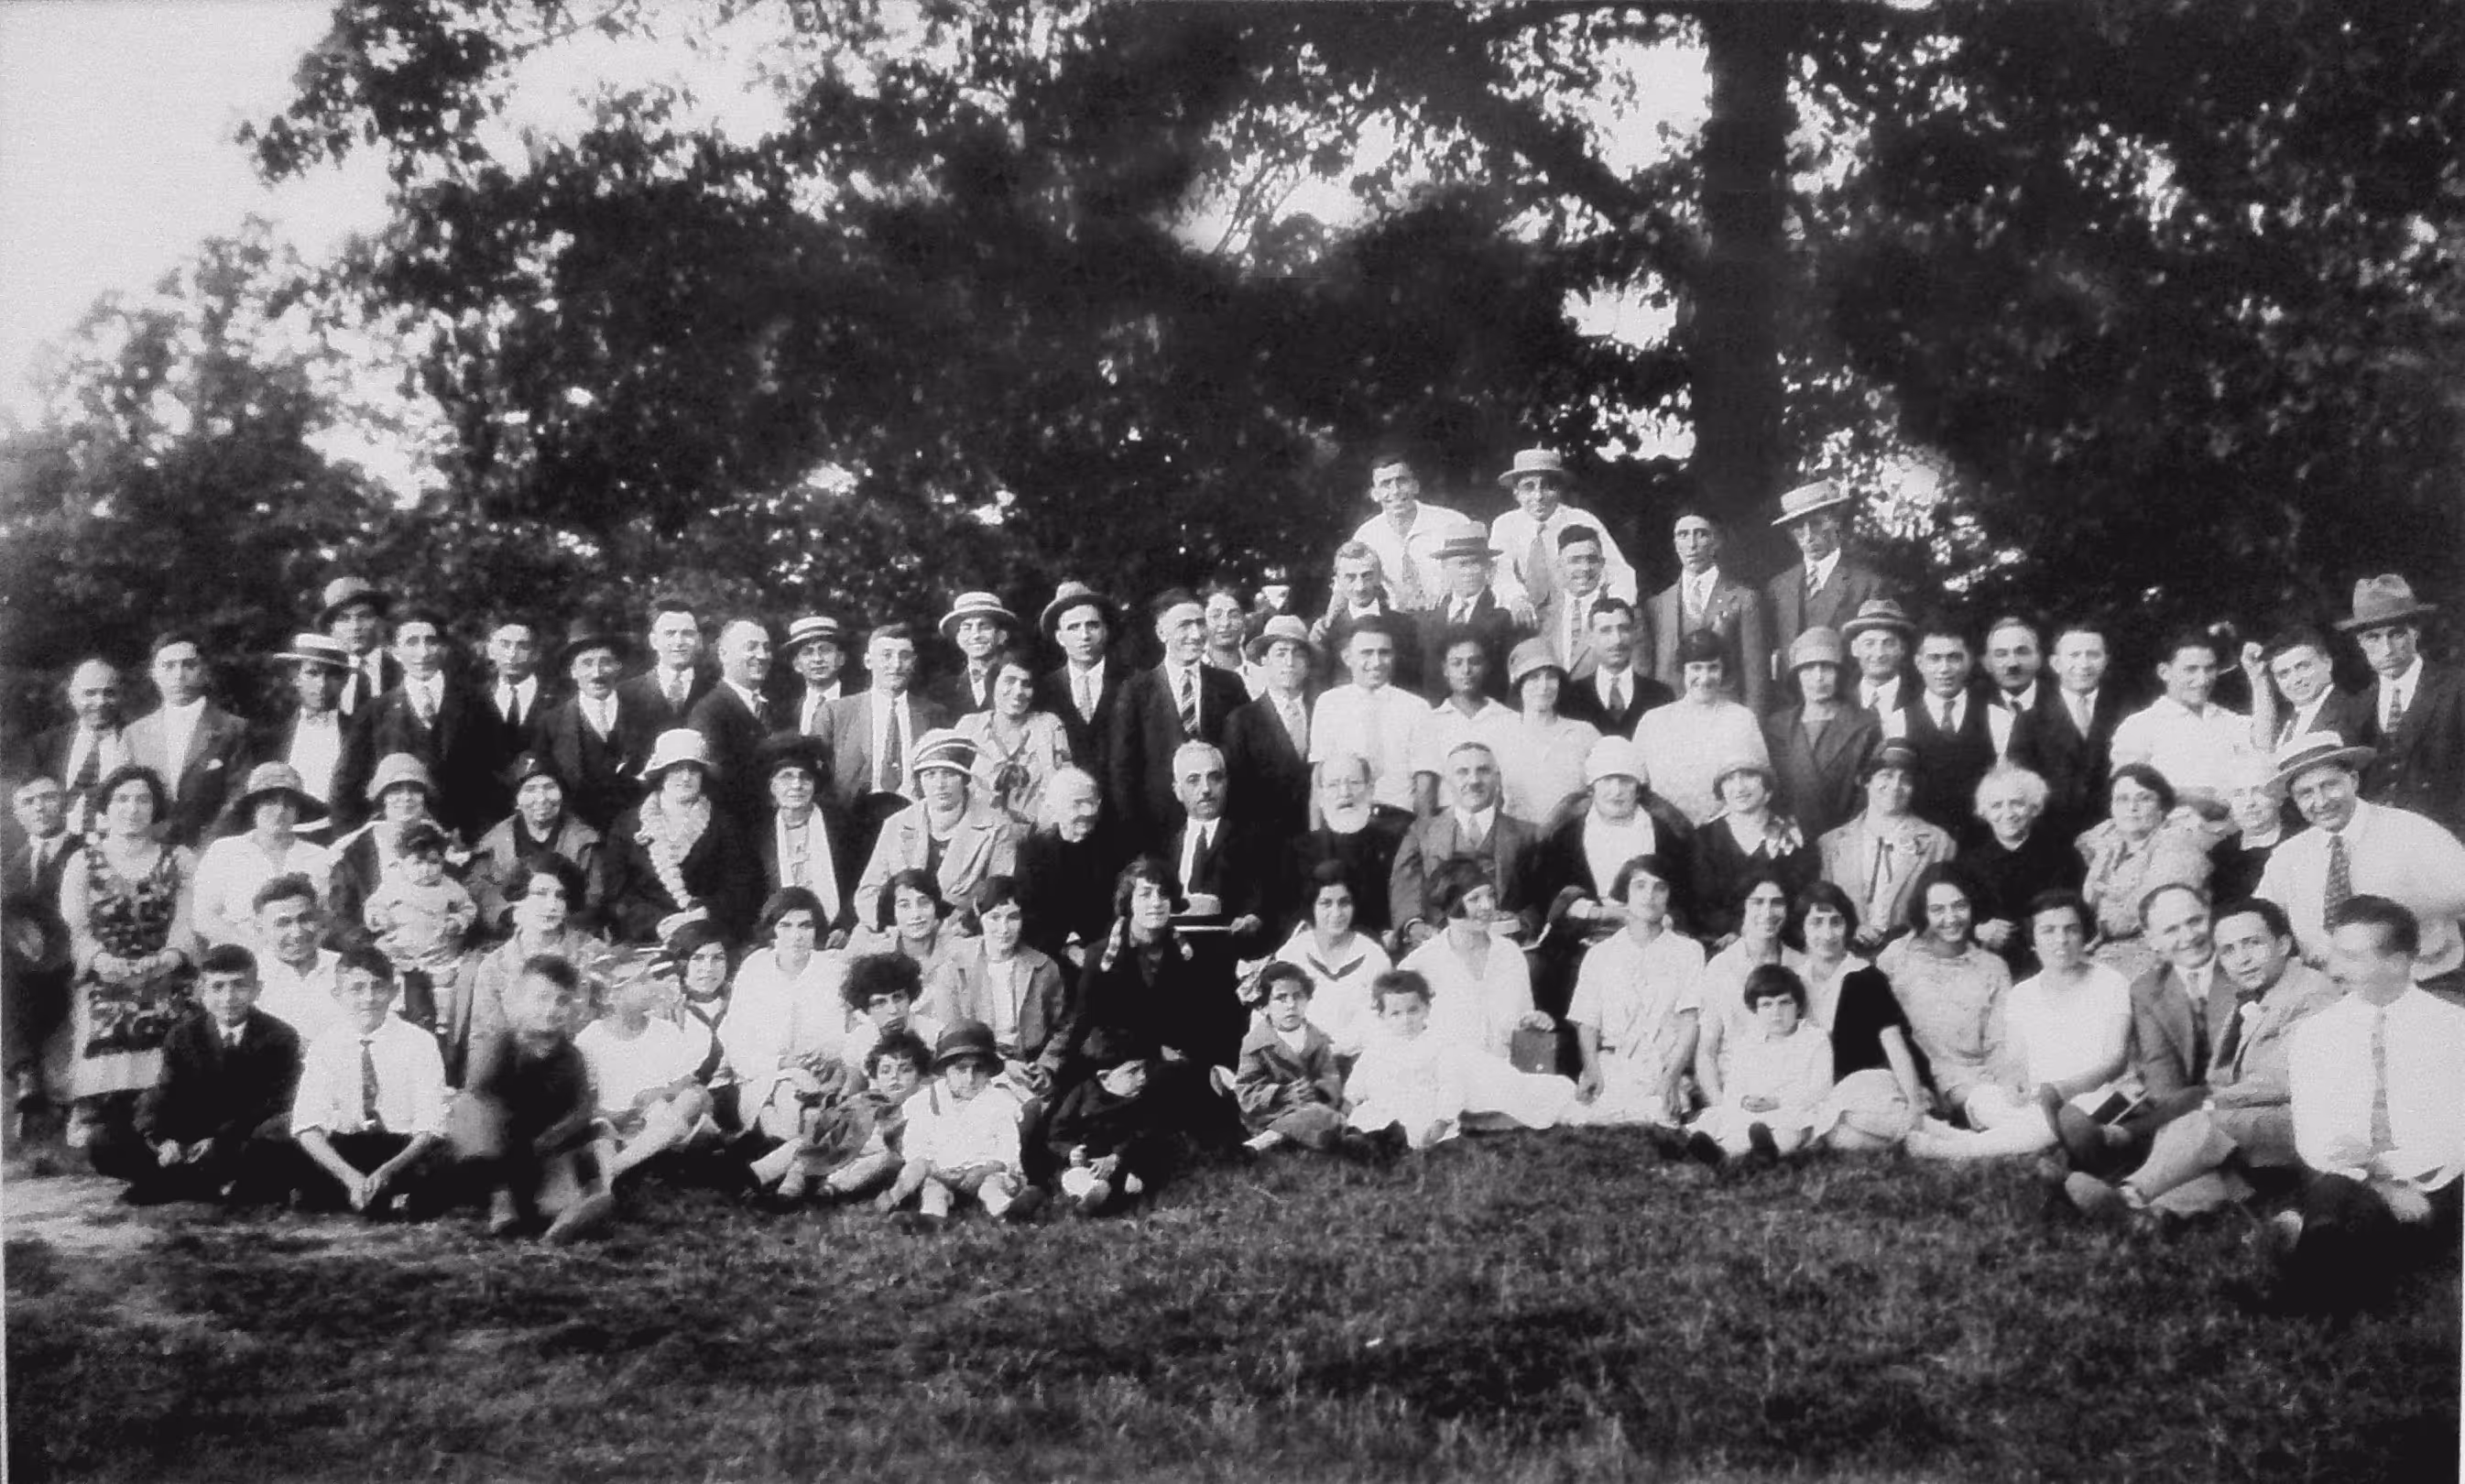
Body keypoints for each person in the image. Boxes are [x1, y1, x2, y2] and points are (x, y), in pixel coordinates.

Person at [2061, 897, 2340, 1224]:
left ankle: (2130, 1193)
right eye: (2229, 950)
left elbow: (2286, 1079)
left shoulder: (2311, 993)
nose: (2242, 960)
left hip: (2302, 1122)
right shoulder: (2257, 992)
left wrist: (2210, 1102)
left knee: (2205, 1124)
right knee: (2192, 1138)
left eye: (2252, 944)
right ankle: (2150, 1217)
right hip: (2252, 1116)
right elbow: (2219, 1074)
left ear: (2283, 944)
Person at [2266, 896, 2465, 1310]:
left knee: (2348, 1216)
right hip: (2341, 1175)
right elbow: (2317, 1139)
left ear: (2398, 963)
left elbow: (2454, 1134)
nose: (2333, 967)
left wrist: (2400, 1179)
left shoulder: (2451, 1029)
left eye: (2351, 957)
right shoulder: (2318, 1034)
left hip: (2434, 1181)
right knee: (2347, 1204)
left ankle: (2305, 1260)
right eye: (2335, 952)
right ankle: (2325, 1266)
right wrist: (2382, 1183)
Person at [1903, 890, 2130, 1161]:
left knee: (2055, 1120)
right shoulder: (2023, 993)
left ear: (2084, 935)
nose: (2061, 940)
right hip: (2036, 1099)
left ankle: (1957, 1147)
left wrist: (2062, 1090)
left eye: (2071, 929)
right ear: (2033, 940)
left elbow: (2116, 1059)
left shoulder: (2110, 982)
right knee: (1982, 1098)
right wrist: (2015, 1082)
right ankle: (2013, 1140)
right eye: (2048, 931)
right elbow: (2017, 1061)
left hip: (2091, 1096)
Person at [1052, 858, 1245, 1145]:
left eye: (1163, 894)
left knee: (1187, 1081)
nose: (1156, 903)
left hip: (1175, 1056)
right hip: (1117, 1054)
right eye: (1145, 895)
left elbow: (1205, 1016)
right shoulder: (1100, 956)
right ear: (1129, 902)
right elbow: (1086, 1021)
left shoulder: (1189, 952)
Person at [89, 944, 300, 1206]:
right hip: (191, 1136)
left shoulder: (280, 1036)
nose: (228, 997)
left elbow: (276, 1102)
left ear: (257, 989)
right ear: (201, 992)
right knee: (104, 1139)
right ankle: (187, 1184)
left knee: (277, 1139)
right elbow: (165, 1091)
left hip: (241, 1137)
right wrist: (162, 1139)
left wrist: (219, 1140)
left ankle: (187, 1185)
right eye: (218, 987)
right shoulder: (183, 1035)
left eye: (239, 986)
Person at [2254, 733, 2465, 993]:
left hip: (2424, 985)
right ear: (2295, 801)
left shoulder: (2412, 832)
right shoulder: (2287, 858)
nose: (2321, 802)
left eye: (2330, 785)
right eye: (2306, 793)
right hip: (2331, 997)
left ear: (2353, 780)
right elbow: (2257, 925)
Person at [60, 764, 200, 1148]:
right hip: (108, 971)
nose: (132, 808)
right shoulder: (83, 862)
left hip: (166, 968)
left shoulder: (179, 859)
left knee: (176, 1009)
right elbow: (78, 928)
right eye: (122, 799)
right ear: (105, 809)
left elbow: (188, 919)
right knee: (105, 1007)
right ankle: (96, 1105)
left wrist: (170, 957)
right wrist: (102, 961)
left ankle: (164, 1110)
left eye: (143, 799)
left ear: (156, 808)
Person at [1396, 859, 1579, 1130]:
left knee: (1561, 1088)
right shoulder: (1421, 963)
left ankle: (1489, 1117)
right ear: (1450, 906)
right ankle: (1480, 1117)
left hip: (1503, 1072)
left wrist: (1532, 1021)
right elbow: (1396, 1030)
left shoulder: (1509, 953)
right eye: (1474, 899)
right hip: (1449, 1079)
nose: (1487, 907)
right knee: (1554, 1100)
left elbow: (1520, 1023)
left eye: (1491, 896)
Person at [452, 955, 615, 1242]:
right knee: (470, 1108)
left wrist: (553, 1137)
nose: (551, 1009)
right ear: (519, 999)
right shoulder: (501, 1044)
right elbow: (480, 1094)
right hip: (500, 1151)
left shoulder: (573, 1057)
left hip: (547, 1148)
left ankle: (562, 1222)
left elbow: (582, 1109)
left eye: (562, 1001)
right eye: (541, 998)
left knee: (579, 1178)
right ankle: (501, 1201)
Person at [289, 947, 450, 1217]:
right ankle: (368, 1194)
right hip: (348, 1146)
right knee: (291, 1155)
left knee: (441, 1163)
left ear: (394, 992)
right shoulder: (326, 1044)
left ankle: (385, 1195)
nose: (368, 998)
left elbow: (429, 1126)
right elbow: (307, 1124)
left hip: (401, 1146)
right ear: (337, 996)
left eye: (378, 987)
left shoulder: (420, 1042)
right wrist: (350, 1176)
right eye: (357, 989)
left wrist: (387, 1171)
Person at [1563, 854, 1705, 1129]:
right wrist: (1593, 1069)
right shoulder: (1600, 954)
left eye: (1659, 887)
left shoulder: (1689, 952)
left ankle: (1653, 1107)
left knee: (1661, 1113)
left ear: (1669, 895)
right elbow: (1587, 1023)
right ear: (1624, 894)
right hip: (1614, 1063)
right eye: (1640, 886)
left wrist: (1672, 1076)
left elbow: (1690, 1023)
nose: (1649, 895)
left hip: (1662, 1065)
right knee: (1588, 1114)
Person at [1535, 736, 1699, 971]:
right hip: (1583, 936)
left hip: (1653, 930)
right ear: (1592, 786)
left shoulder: (1665, 834)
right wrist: (1601, 913)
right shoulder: (1566, 834)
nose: (1616, 791)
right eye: (1607, 780)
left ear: (1638, 787)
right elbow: (1551, 891)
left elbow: (1684, 892)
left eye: (1625, 781)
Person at [333, 608, 499, 837]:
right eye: (411, 642)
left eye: (431, 642)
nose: (423, 652)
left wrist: (484, 839)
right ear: (394, 651)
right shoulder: (374, 712)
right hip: (397, 839)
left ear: (443, 648)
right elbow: (347, 786)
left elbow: (495, 777)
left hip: (466, 840)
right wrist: (355, 844)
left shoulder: (476, 704)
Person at [1876, 865, 2016, 1129]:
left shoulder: (1992, 967)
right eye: (1938, 910)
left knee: (2004, 1106)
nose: (1951, 918)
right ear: (1923, 912)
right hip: (1910, 1076)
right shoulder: (1898, 956)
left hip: (1969, 1077)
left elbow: (1998, 1042)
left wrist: (2007, 1081)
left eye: (1959, 906)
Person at [1789, 882, 1927, 1151]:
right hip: (1816, 1089)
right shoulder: (1794, 981)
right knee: (1840, 1137)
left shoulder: (1866, 977)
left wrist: (1915, 1103)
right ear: (1802, 929)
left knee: (1848, 1115)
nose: (1827, 934)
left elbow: (1894, 1043)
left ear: (1848, 927)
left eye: (1836, 922)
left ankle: (1924, 1130)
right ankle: (1917, 1142)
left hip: (1866, 1083)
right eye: (1816, 923)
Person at [450, 856, 608, 1086]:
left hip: (587, 1078)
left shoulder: (593, 954)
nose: (551, 905)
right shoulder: (496, 965)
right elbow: (484, 1042)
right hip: (517, 1084)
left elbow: (611, 1028)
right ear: (518, 899)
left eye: (560, 896)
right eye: (541, 894)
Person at [1108, 591, 1248, 846]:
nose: (1196, 635)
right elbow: (1122, 772)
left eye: (1200, 623)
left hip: (1222, 832)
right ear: (1161, 633)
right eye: (1184, 625)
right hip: (1157, 832)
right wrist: (1135, 836)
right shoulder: (1135, 691)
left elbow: (1243, 761)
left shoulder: (1230, 686)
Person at [602, 729, 760, 944]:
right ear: (661, 773)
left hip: (709, 937)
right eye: (676, 769)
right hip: (647, 937)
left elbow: (741, 887)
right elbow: (617, 893)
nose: (685, 778)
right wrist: (659, 923)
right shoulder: (626, 824)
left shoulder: (724, 824)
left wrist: (703, 914)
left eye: (694, 770)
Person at [853, 729, 1024, 928]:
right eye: (930, 775)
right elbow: (869, 891)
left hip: (962, 934)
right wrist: (893, 927)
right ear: (920, 781)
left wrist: (963, 926)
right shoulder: (897, 823)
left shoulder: (997, 827)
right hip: (901, 932)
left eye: (949, 774)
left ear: (965, 779)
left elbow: (999, 895)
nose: (940, 784)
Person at [813, 623, 954, 860]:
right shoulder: (836, 713)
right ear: (868, 661)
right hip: (852, 827)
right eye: (886, 655)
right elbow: (818, 780)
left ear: (914, 662)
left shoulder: (933, 714)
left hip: (916, 823)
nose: (896, 665)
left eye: (904, 656)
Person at [2340, 574, 2465, 838]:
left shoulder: (2455, 688)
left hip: (2445, 838)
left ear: (2415, 631)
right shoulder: (2357, 707)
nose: (2386, 649)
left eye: (2396, 635)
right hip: (2379, 843)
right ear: (2361, 643)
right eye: (2373, 638)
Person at [880, 1020, 1040, 1228]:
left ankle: (1008, 1210)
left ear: (989, 1071)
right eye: (960, 1070)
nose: (970, 1078)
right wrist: (935, 1169)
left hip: (986, 1171)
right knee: (933, 1188)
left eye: (978, 1069)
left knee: (991, 1187)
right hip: (943, 1173)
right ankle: (931, 1217)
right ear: (945, 1070)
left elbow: (1008, 1147)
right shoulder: (927, 1101)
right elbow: (915, 1144)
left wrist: (987, 1168)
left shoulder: (998, 1102)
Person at [576, 952, 716, 1186]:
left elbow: (686, 1082)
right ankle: (633, 1165)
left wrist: (661, 1094)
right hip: (614, 1125)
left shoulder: (665, 1031)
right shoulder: (590, 1039)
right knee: (599, 1129)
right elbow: (586, 1100)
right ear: (611, 997)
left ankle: (617, 1169)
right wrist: (620, 1115)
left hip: (662, 1121)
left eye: (649, 978)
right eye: (641, 981)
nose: (652, 986)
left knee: (691, 1099)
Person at [1390, 742, 1547, 949]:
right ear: (1447, 782)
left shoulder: (1528, 835)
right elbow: (1405, 889)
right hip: (1439, 944)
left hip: (1507, 946)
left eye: (1483, 771)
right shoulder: (1421, 833)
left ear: (1498, 778)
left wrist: (1519, 923)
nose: (1474, 781)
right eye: (1462, 772)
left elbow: (1542, 898)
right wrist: (1414, 925)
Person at [720, 888, 855, 1126]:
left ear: (816, 930)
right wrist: (781, 1064)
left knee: (791, 1113)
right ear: (772, 929)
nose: (796, 936)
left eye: (805, 926)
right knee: (787, 1098)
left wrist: (832, 1061)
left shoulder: (835, 972)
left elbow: (853, 1031)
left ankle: (778, 1151)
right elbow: (735, 1041)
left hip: (824, 1078)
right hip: (762, 1079)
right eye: (786, 926)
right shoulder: (754, 969)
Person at [924, 877, 1069, 1089]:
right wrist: (1003, 1064)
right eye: (994, 917)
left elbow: (1063, 1026)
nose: (1004, 928)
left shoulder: (1043, 967)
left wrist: (1045, 1066)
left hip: (1029, 1067)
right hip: (973, 1068)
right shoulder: (954, 966)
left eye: (1012, 917)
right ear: (979, 915)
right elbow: (952, 1034)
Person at [2078, 763, 2213, 981]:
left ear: (2162, 807)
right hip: (2105, 950)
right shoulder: (2107, 848)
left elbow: (2148, 911)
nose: (2132, 807)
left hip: (2159, 951)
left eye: (2144, 798)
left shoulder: (2178, 843)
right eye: (2122, 799)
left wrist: (2100, 922)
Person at [1686, 965, 1835, 1164]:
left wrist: (1777, 1102)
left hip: (1793, 1108)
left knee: (1790, 1128)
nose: (1776, 1012)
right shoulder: (1748, 1041)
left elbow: (1820, 1090)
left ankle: (1765, 1152)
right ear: (1754, 1009)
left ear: (1798, 1006)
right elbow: (1734, 1086)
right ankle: (1722, 1154)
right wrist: (1744, 1100)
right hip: (1752, 1112)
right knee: (1723, 1120)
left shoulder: (1814, 1039)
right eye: (1767, 1005)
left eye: (1784, 1003)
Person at [1817, 740, 1955, 953]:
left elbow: (1945, 910)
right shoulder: (1831, 843)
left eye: (1905, 779)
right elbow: (1822, 908)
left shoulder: (1938, 842)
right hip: (1845, 956)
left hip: (1913, 956)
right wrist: (1850, 928)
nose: (1895, 787)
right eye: (1886, 776)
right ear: (1866, 781)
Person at [122, 631, 252, 848]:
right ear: (153, 673)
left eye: (189, 665)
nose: (179, 675)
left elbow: (239, 795)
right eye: (169, 666)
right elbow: (127, 797)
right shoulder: (134, 734)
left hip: (211, 848)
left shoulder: (232, 729)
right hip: (149, 848)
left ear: (204, 671)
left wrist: (209, 845)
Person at [325, 752, 465, 951]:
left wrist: (454, 937)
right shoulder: (355, 854)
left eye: (415, 790)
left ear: (424, 797)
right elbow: (338, 920)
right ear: (382, 797)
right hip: (377, 956)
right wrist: (372, 945)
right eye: (395, 790)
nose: (406, 798)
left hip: (437, 951)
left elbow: (464, 905)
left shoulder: (444, 847)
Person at [1882, 621, 2013, 833]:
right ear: (1919, 663)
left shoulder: (1997, 716)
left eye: (1954, 658)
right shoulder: (1898, 720)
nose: (1944, 669)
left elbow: (2006, 787)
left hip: (1983, 840)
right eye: (1934, 659)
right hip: (1921, 841)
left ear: (1969, 661)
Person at [1960, 763, 2083, 978]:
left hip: (2051, 960)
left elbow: (2078, 912)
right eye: (1996, 805)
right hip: (1988, 962)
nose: (2008, 813)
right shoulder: (1968, 863)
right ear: (1984, 812)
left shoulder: (2063, 857)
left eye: (2016, 803)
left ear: (2034, 808)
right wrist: (1978, 931)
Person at [2107, 628, 2252, 808]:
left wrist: (2258, 677)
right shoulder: (2139, 726)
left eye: (2210, 668)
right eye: (2191, 670)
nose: (2203, 679)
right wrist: (2192, 797)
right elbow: (2126, 791)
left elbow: (2265, 748)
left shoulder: (2228, 719)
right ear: (2164, 672)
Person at [1636, 631, 1771, 825]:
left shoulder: (1741, 719)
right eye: (1696, 668)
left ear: (1723, 670)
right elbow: (1638, 785)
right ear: (1683, 671)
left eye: (1713, 668)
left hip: (1724, 835)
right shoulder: (1653, 721)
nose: (1705, 677)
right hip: (1665, 834)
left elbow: (1761, 784)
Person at [1487, 447, 1638, 617]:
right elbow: (1500, 573)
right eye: (1529, 487)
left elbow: (1620, 572)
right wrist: (1515, 599)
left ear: (1559, 490)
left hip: (1574, 612)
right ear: (1516, 492)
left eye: (1548, 486)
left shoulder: (1582, 520)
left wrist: (1609, 612)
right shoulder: (1505, 524)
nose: (1538, 496)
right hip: (1526, 616)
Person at [191, 762, 332, 947]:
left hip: (301, 956)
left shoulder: (318, 857)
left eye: (289, 804)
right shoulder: (224, 852)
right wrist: (254, 948)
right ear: (254, 807)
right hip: (239, 957)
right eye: (270, 802)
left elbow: (327, 919)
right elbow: (203, 918)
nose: (280, 811)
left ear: (298, 811)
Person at [4, 773, 79, 1121]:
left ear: (64, 802)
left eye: (48, 797)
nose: (40, 807)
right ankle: (26, 1074)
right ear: (17, 812)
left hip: (74, 958)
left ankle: (25, 1072)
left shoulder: (86, 851)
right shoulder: (11, 867)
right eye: (29, 802)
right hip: (29, 970)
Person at [465, 752, 605, 933]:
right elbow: (479, 888)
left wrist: (557, 919)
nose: (541, 798)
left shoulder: (585, 841)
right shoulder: (493, 843)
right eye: (530, 790)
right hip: (509, 934)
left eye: (549, 787)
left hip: (571, 933)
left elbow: (595, 895)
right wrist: (508, 915)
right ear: (516, 800)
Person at [1762, 627, 1880, 842]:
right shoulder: (1777, 727)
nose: (1818, 677)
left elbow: (1868, 794)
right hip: (1791, 840)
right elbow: (1772, 790)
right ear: (1796, 676)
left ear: (1840, 673)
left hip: (1848, 839)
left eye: (1827, 667)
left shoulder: (1865, 725)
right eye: (1808, 668)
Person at [529, 617, 645, 833]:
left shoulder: (645, 713)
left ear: (618, 666)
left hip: (636, 833)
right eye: (587, 663)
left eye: (605, 662)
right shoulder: (551, 723)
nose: (597, 673)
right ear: (573, 672)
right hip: (579, 834)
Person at [361, 820, 477, 1030]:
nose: (426, 870)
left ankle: (444, 1022)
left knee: (445, 980)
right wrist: (379, 918)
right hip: (399, 949)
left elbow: (468, 908)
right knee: (392, 978)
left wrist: (457, 922)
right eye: (418, 863)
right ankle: (394, 1015)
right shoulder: (393, 884)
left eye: (434, 862)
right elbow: (373, 906)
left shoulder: (449, 886)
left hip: (436, 948)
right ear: (402, 862)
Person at [1342, 969, 1476, 1151]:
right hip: (1383, 1109)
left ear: (1427, 1008)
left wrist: (1443, 1120)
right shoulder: (1378, 1046)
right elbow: (1359, 1078)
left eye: (1413, 1011)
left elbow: (1451, 1087)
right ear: (1382, 1016)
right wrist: (1349, 1100)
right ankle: (1359, 1140)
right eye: (1395, 1014)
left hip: (1421, 1113)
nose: (1405, 1020)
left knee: (1406, 1132)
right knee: (1364, 1119)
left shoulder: (1439, 1046)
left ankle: (1381, 1144)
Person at [1269, 862, 1393, 1057]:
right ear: (1312, 905)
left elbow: (1381, 1021)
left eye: (1344, 903)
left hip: (1360, 1062)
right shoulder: (1292, 953)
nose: (1336, 913)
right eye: (1326, 903)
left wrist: (1337, 1049)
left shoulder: (1374, 957)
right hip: (1301, 1061)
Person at [1308, 617, 1426, 818]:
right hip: (1345, 816)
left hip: (1400, 818)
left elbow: (1424, 782)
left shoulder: (1416, 707)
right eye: (1366, 653)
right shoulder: (1329, 703)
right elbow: (1319, 776)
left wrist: (1422, 835)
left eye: (1384, 653)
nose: (1377, 662)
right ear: (1347, 657)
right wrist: (1317, 831)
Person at [1649, 511, 1768, 710]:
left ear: (1716, 541)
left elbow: (1755, 677)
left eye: (1701, 534)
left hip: (1725, 717)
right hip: (1674, 717)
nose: (1692, 544)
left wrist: (1751, 728)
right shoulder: (1658, 604)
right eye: (1683, 535)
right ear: (1675, 543)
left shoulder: (1744, 599)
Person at [1690, 874, 1797, 1092]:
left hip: (1786, 1086)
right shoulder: (1720, 968)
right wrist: (1720, 1107)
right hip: (1733, 1087)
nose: (1767, 912)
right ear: (1743, 908)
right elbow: (1706, 1052)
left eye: (1776, 903)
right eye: (1758, 902)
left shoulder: (1799, 965)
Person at [1694, 761, 1817, 947]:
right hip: (1722, 942)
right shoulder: (1705, 837)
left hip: (1782, 941)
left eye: (1749, 775)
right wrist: (1737, 930)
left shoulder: (1793, 836)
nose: (1739, 787)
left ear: (1767, 785)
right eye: (1729, 779)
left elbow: (1802, 900)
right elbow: (1700, 902)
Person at [1764, 478, 1892, 658]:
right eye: (1799, 527)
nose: (1808, 536)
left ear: (1836, 521)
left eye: (1816, 523)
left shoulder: (1867, 585)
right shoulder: (1778, 587)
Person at [1220, 616, 1320, 842]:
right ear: (1264, 659)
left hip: (1316, 842)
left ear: (1308, 663)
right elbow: (1236, 796)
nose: (1290, 662)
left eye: (1298, 653)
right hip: (1264, 846)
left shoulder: (1323, 713)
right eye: (1281, 653)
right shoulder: (1242, 720)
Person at [1233, 965, 1348, 1155]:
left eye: (1298, 996)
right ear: (1264, 1007)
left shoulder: (1317, 1039)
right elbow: (1247, 1090)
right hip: (1272, 1112)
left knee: (1319, 1112)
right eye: (1281, 998)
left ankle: (1280, 1142)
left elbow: (1330, 1076)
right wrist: (1281, 1093)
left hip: (1310, 1105)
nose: (1291, 1005)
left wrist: (1318, 1090)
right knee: (1321, 1118)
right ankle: (1262, 1143)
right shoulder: (1256, 1043)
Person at [1013, 767, 1120, 967]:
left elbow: (1119, 907)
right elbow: (1030, 914)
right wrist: (1068, 947)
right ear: (1055, 809)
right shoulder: (1032, 853)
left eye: (1092, 802)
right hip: (1052, 956)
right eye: (1078, 804)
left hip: (1106, 953)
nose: (1088, 812)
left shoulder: (1112, 849)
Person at [956, 647, 1075, 828]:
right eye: (1009, 681)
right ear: (993, 683)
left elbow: (1066, 783)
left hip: (1034, 835)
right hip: (977, 834)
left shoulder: (1049, 725)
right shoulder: (970, 727)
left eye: (1026, 684)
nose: (1018, 691)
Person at [1347, 445, 1468, 616]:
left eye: (1401, 481)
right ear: (1374, 494)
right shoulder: (1366, 536)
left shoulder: (1452, 523)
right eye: (1385, 484)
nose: (1395, 491)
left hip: (1448, 616)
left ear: (1415, 486)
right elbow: (1348, 584)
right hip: (1396, 621)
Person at [1412, 629, 1521, 815]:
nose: (1466, 670)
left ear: (1486, 666)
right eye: (1457, 663)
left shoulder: (1509, 719)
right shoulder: (1431, 721)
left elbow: (1515, 785)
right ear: (1445, 669)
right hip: (1447, 823)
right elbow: (1425, 789)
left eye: (1474, 662)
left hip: (1499, 822)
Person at [2034, 620, 2127, 837]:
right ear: (2056, 663)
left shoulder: (2127, 711)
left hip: (2115, 831)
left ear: (2105, 661)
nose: (2084, 664)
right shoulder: (2031, 719)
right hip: (2053, 834)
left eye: (2093, 655)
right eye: (2074, 655)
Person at [686, 617, 778, 830]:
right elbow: (714, 782)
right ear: (724, 655)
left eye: (766, 648)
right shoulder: (709, 710)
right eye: (751, 648)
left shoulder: (772, 708)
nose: (762, 656)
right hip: (732, 830)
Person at [1497, 639, 1599, 827]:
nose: (1544, 686)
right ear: (1519, 684)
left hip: (1571, 840)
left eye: (1551, 676)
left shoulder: (1584, 733)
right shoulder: (1501, 734)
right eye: (1534, 677)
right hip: (1518, 843)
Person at [1034, 583, 1128, 786]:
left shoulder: (1131, 682)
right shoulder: (1043, 690)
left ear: (1106, 631)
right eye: (1073, 627)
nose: (1084, 636)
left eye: (1092, 625)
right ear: (1060, 637)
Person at [1415, 529, 1525, 701]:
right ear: (1445, 567)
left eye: (1475, 563)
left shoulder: (1504, 617)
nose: (1469, 572)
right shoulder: (1428, 618)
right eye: (1461, 564)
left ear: (1488, 567)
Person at [21, 658, 127, 834]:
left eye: (109, 693)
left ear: (120, 695)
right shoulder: (46, 744)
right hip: (60, 844)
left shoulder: (136, 739)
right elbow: (30, 803)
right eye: (90, 693)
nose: (100, 702)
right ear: (72, 696)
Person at [261, 634, 353, 827]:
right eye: (312, 673)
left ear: (345, 680)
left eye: (332, 675)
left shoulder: (360, 732)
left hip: (342, 836)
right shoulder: (272, 734)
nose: (322, 684)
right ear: (295, 678)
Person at [1313, 542, 1426, 694]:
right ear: (1338, 581)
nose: (1360, 587)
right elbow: (1319, 685)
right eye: (1350, 578)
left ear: (1379, 578)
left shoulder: (1405, 626)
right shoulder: (1326, 630)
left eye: (1366, 576)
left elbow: (1415, 684)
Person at [248, 874, 344, 1047]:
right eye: (283, 923)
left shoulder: (346, 968)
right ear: (260, 928)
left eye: (305, 919)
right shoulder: (249, 979)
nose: (297, 932)